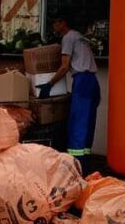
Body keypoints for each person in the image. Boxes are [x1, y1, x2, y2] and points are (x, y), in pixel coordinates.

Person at [36, 14, 101, 173]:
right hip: (93, 82)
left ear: (62, 23)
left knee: (78, 121)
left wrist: (49, 84)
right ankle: (85, 164)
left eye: (55, 23)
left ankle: (75, 166)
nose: (53, 27)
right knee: (88, 121)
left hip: (83, 81)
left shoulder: (68, 38)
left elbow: (64, 66)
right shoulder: (80, 37)